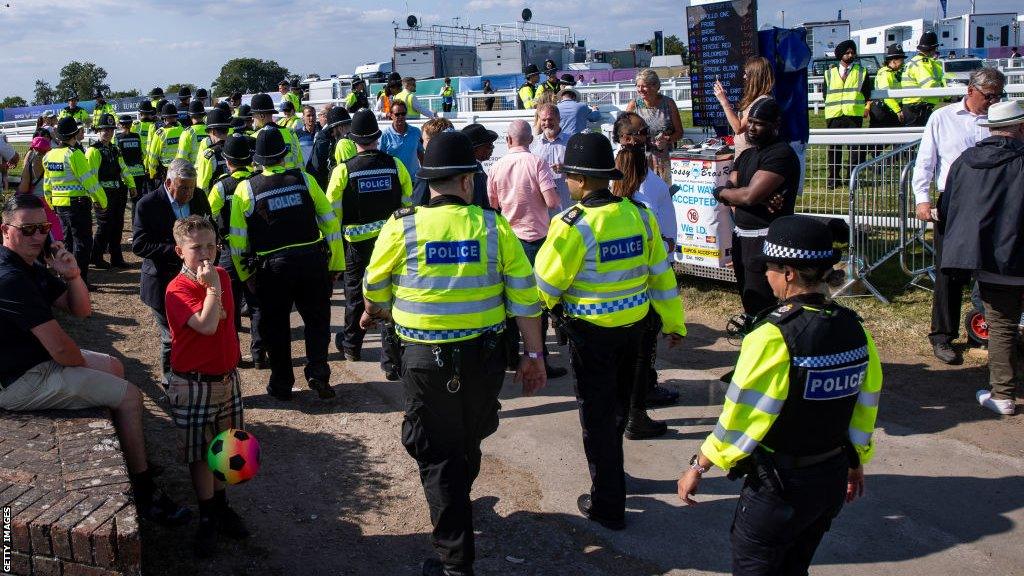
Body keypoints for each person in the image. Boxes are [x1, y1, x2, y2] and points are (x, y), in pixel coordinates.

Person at [360, 131, 546, 576]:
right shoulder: (492, 226)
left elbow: (373, 288)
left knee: (437, 451)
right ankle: (457, 505)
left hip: (425, 362)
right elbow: (525, 297)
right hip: (483, 360)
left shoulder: (401, 225)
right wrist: (535, 356)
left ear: (428, 181)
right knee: (467, 439)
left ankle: (454, 563)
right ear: (467, 180)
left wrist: (377, 311)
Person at [678, 215, 881, 575]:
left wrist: (700, 464)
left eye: (769, 267)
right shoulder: (855, 329)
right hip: (829, 478)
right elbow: (863, 405)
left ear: (788, 273)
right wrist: (855, 460)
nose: (765, 276)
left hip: (781, 487)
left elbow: (743, 415)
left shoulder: (772, 336)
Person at [0, 194, 190, 524]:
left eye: (43, 228)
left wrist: (72, 275)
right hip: (18, 380)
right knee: (131, 396)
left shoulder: (25, 264)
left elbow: (81, 310)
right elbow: (61, 351)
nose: (37, 237)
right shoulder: (10, 278)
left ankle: (131, 457)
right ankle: (145, 492)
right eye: (27, 230)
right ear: (5, 229)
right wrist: (83, 366)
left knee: (115, 366)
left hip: (34, 361)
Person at [535, 132, 686, 530]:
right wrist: (674, 322)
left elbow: (547, 285)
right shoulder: (639, 215)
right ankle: (615, 476)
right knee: (618, 409)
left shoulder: (572, 225)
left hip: (591, 337)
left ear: (581, 180)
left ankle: (607, 504)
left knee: (597, 417)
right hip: (635, 332)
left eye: (568, 175)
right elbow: (660, 276)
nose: (565, 181)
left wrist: (546, 314)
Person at [228, 128, 344, 402]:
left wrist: (246, 274)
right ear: (284, 154)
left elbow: (237, 240)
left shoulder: (247, 189)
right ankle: (318, 373)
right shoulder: (304, 180)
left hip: (272, 269)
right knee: (317, 322)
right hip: (311, 261)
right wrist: (335, 263)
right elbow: (330, 222)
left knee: (276, 327)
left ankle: (282, 384)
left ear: (257, 160)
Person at [162, 215, 248, 557]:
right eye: (196, 247)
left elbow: (227, 324)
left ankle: (221, 507)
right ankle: (208, 516)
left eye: (212, 245)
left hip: (225, 378)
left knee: (224, 448)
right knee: (200, 455)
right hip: (194, 383)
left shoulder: (222, 275)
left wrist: (216, 283)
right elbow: (208, 325)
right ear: (180, 251)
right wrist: (212, 287)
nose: (205, 253)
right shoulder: (178, 289)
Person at [912, 67, 1005, 364]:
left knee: (995, 268)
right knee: (948, 270)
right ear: (970, 91)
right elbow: (926, 160)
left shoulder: (1002, 117)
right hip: (954, 201)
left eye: (997, 96)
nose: (993, 101)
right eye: (988, 96)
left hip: (994, 200)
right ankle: (942, 335)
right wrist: (922, 199)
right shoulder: (943, 117)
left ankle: (996, 331)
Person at [938, 100, 1024, 415]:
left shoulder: (964, 162)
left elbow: (946, 208)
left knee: (1001, 324)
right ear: (1021, 127)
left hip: (988, 257)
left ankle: (1002, 395)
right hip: (1010, 252)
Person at [325, 109, 411, 379]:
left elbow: (330, 216)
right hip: (392, 243)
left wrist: (332, 253)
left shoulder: (343, 171)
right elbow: (407, 206)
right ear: (376, 137)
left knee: (354, 296)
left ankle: (352, 346)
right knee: (389, 295)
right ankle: (392, 359)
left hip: (356, 246)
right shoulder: (396, 165)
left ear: (354, 140)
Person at [612, 112, 681, 428]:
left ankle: (629, 402)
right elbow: (664, 241)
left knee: (626, 351)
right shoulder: (652, 186)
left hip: (618, 282)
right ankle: (637, 410)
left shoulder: (609, 181)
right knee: (641, 351)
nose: (642, 138)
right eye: (639, 134)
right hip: (647, 278)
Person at [487, 120, 565, 378]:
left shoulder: (496, 167)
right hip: (536, 240)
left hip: (508, 239)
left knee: (508, 300)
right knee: (535, 303)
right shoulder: (537, 163)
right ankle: (537, 355)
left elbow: (493, 204)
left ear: (508, 140)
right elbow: (552, 201)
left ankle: (510, 357)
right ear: (531, 140)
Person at [714, 98, 800, 317]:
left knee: (764, 302)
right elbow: (734, 188)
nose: (751, 128)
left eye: (759, 123)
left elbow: (749, 196)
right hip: (741, 237)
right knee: (748, 297)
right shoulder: (746, 154)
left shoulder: (781, 153)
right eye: (750, 122)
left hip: (766, 239)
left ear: (775, 124)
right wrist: (734, 194)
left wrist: (723, 194)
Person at [133, 159, 213, 385]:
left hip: (195, 280)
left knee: (196, 332)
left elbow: (209, 228)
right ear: (169, 183)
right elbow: (139, 245)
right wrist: (179, 252)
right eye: (183, 187)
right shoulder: (147, 204)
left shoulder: (198, 196)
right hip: (162, 281)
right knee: (172, 336)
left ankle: (194, 377)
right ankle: (171, 382)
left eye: (191, 186)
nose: (188, 192)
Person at [208, 134, 265, 369]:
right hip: (255, 252)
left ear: (227, 160)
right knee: (257, 305)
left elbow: (208, 214)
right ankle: (260, 355)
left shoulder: (221, 186)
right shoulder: (256, 181)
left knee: (230, 305)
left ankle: (236, 356)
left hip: (229, 252)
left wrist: (216, 239)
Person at [43, 117, 107, 289]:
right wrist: (102, 200)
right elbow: (89, 181)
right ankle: (80, 280)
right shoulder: (74, 154)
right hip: (77, 205)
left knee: (68, 242)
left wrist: (51, 203)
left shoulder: (49, 155)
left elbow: (47, 184)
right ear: (74, 133)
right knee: (83, 243)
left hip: (59, 206)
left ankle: (66, 278)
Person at [86, 114, 136, 270]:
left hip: (117, 192)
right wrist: (96, 198)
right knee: (104, 227)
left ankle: (116, 258)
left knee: (117, 226)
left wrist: (132, 185)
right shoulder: (94, 151)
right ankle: (96, 256)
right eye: (104, 129)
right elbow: (92, 178)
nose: (108, 132)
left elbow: (123, 169)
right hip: (103, 194)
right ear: (98, 131)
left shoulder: (114, 148)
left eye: (110, 129)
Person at [822, 40, 872, 189]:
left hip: (853, 114)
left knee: (854, 150)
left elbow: (867, 93)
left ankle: (851, 179)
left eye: (852, 52)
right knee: (834, 149)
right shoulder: (829, 73)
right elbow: (826, 93)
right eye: (847, 52)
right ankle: (833, 180)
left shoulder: (862, 72)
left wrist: (866, 108)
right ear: (840, 55)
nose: (850, 55)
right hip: (834, 115)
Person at [626, 69, 684, 184]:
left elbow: (679, 132)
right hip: (641, 158)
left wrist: (667, 139)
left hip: (664, 159)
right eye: (638, 86)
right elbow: (624, 133)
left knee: (663, 193)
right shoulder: (634, 105)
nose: (640, 90)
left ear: (655, 86)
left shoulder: (668, 103)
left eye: (644, 86)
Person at [714, 56, 774, 159]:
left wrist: (724, 101)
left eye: (747, 74)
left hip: (751, 159)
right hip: (743, 156)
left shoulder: (763, 101)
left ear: (756, 76)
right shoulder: (756, 99)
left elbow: (738, 128)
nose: (744, 77)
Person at [530, 103, 571, 211]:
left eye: (550, 119)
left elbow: (581, 168)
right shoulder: (533, 144)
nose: (547, 123)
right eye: (543, 120)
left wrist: (566, 168)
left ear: (558, 119)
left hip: (566, 204)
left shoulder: (572, 142)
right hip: (541, 206)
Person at [901, 31, 946, 126]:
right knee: (919, 138)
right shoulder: (922, 63)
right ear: (933, 48)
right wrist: (947, 93)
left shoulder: (915, 61)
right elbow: (929, 85)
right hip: (918, 108)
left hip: (914, 107)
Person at [249, 93, 304, 170]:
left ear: (262, 116)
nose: (252, 119)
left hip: (268, 180)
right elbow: (300, 161)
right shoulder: (290, 133)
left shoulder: (255, 137)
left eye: (253, 115)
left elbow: (254, 169)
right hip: (292, 179)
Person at [410, 117, 456, 207]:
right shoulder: (470, 168)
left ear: (433, 141)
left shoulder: (427, 173)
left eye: (424, 140)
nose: (422, 145)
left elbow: (418, 207)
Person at [307, 107, 352, 189]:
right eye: (348, 126)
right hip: (326, 186)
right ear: (340, 128)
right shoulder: (324, 141)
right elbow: (317, 167)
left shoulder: (346, 140)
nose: (350, 129)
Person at [380, 100, 424, 180]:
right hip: (395, 181)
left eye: (403, 114)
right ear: (391, 115)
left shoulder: (416, 132)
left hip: (414, 180)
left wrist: (425, 176)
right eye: (397, 114)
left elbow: (421, 154)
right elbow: (380, 160)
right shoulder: (385, 135)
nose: (400, 117)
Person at [194, 108, 232, 193]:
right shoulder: (235, 150)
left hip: (214, 202)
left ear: (213, 131)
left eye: (209, 133)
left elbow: (202, 186)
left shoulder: (208, 156)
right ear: (227, 130)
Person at [870, 45, 907, 128]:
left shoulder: (893, 73)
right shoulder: (885, 74)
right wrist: (898, 110)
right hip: (884, 111)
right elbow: (886, 95)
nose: (903, 63)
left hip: (890, 109)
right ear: (893, 61)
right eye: (901, 60)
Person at [146, 104, 183, 182]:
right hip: (181, 170)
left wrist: (152, 173)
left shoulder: (160, 133)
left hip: (165, 172)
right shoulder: (183, 130)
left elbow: (153, 155)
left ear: (164, 117)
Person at [116, 115, 146, 211]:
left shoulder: (117, 138)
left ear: (120, 125)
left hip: (125, 175)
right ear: (131, 124)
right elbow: (142, 153)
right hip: (139, 172)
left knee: (122, 201)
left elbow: (116, 157)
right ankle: (137, 224)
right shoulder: (137, 137)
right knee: (137, 201)